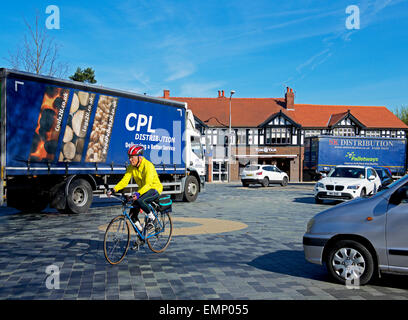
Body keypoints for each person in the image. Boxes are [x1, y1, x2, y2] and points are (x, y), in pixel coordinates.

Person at [107, 145, 163, 232]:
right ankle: (140, 234)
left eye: (132, 157)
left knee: (141, 201)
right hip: (142, 190)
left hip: (154, 189)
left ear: (139, 158)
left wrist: (138, 194)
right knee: (132, 215)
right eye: (129, 157)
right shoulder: (131, 167)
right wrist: (114, 189)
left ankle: (153, 219)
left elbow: (148, 184)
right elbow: (124, 181)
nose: (130, 159)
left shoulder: (148, 166)